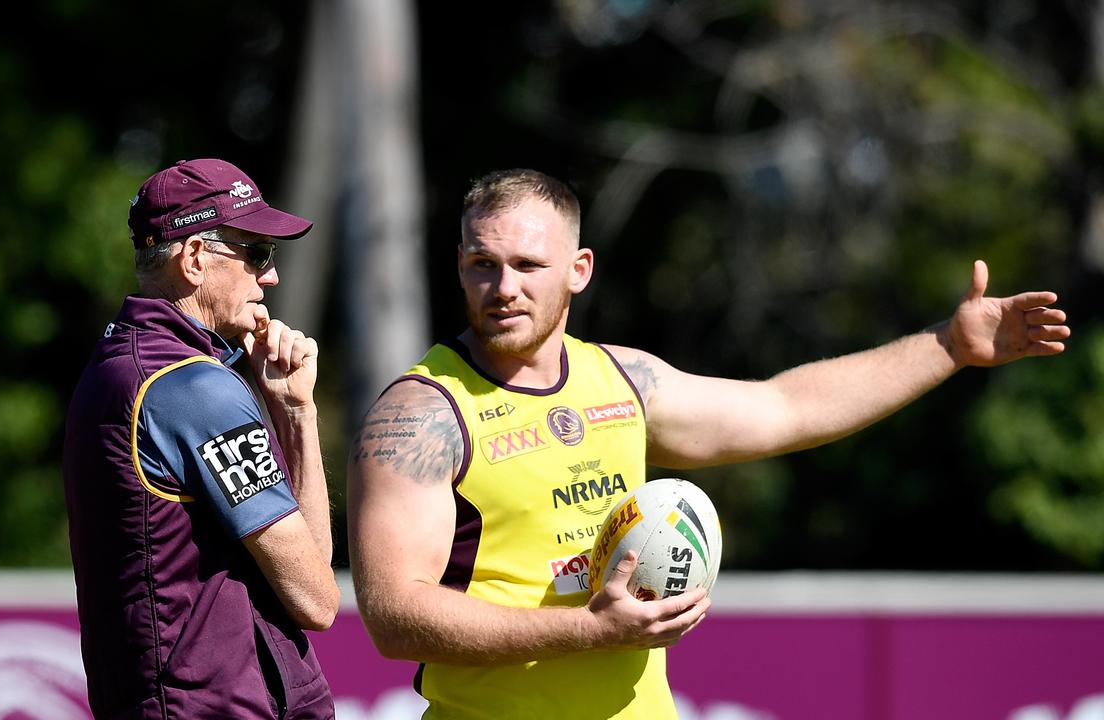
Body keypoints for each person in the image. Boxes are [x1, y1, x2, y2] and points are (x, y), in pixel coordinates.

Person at [345, 168, 1071, 719]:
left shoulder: (622, 382)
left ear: (578, 270)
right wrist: (588, 633)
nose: (503, 287)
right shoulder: (421, 414)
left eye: (529, 266)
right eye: (482, 263)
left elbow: (784, 407)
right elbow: (393, 615)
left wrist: (947, 346)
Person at [63, 158, 338, 719]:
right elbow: (317, 599)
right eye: (257, 253)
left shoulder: (118, 362)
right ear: (194, 259)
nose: (271, 277)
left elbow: (309, 568)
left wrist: (295, 410)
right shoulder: (195, 388)